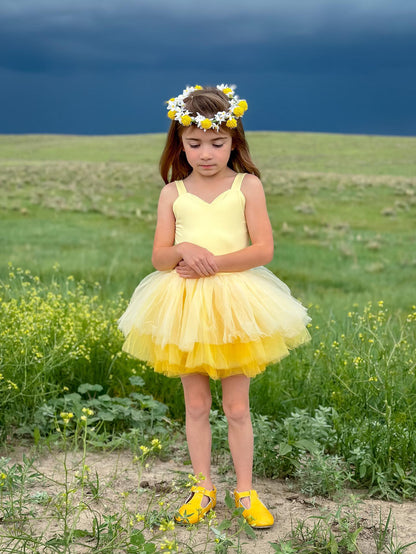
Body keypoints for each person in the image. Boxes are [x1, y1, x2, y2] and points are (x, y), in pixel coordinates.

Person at [118, 84, 311, 528]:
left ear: (234, 141)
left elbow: (263, 250)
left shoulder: (248, 186)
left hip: (235, 305)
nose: (206, 154)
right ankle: (202, 487)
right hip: (183, 309)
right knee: (196, 405)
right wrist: (184, 246)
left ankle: (245, 492)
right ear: (180, 144)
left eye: (217, 143)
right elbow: (160, 258)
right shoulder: (173, 194)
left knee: (237, 407)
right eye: (195, 144)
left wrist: (211, 263)